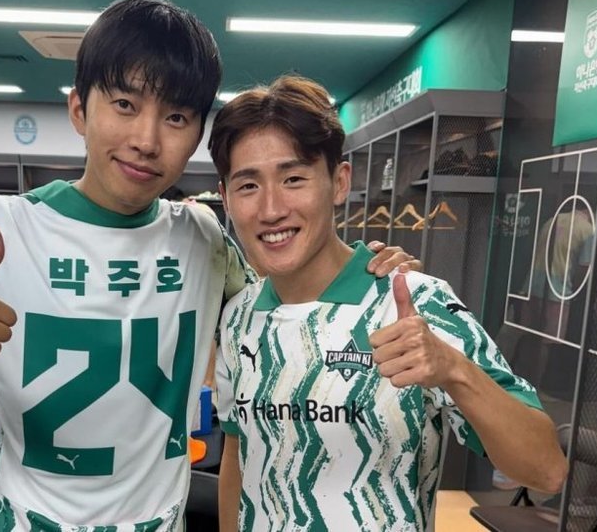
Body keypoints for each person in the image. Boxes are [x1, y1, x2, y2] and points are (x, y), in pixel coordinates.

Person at [0, 0, 419, 531]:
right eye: (125, 104)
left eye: (176, 117)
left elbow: (284, 299)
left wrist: (360, 267)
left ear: (197, 133)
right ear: (80, 109)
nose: (147, 140)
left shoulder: (205, 237)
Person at [209, 74, 569, 532]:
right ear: (225, 198)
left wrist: (454, 369)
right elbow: (239, 456)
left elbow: (546, 471)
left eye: (294, 178)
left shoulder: (420, 303)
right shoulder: (238, 317)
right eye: (248, 186)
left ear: (339, 182)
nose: (272, 208)